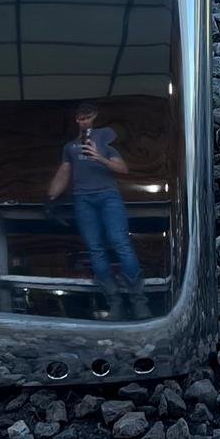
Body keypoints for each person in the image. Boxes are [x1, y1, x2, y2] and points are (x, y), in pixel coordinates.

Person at [47, 101, 148, 320]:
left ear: (95, 118)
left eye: (88, 117)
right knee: (95, 248)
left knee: (120, 242)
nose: (84, 121)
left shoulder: (105, 142)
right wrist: (51, 197)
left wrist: (99, 157)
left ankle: (138, 301)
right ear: (77, 120)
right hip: (83, 198)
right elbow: (64, 172)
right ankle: (115, 303)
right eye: (81, 118)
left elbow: (123, 168)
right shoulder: (70, 147)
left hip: (108, 195)